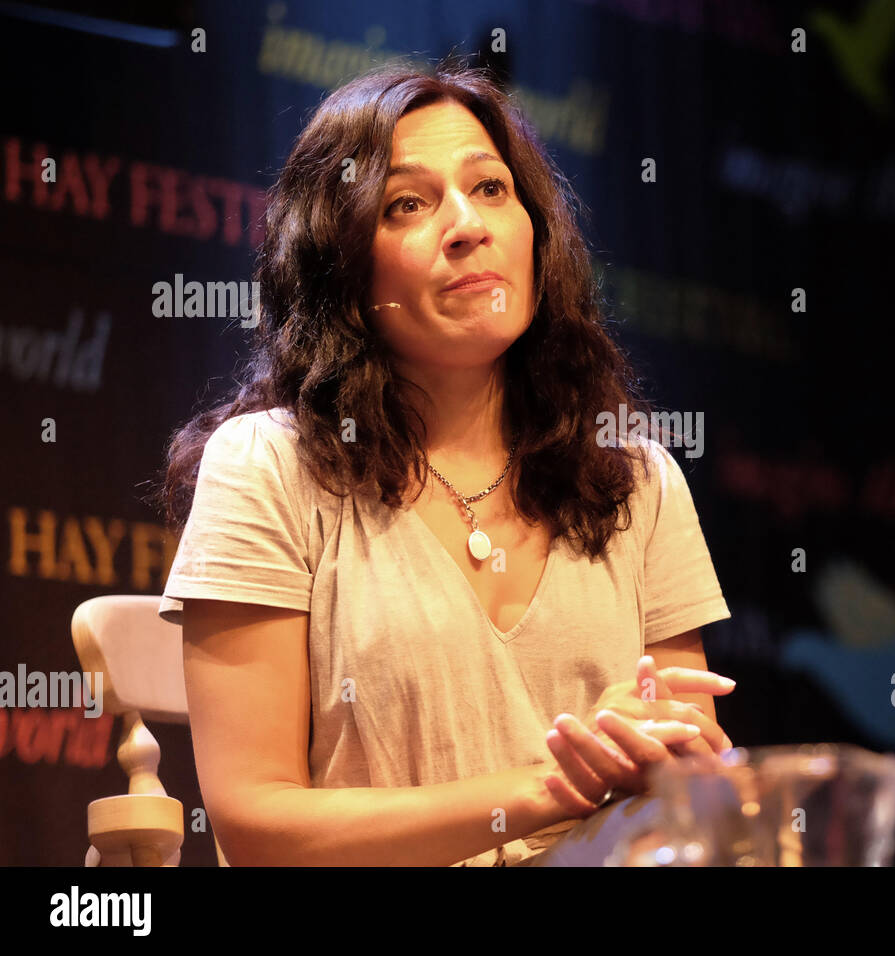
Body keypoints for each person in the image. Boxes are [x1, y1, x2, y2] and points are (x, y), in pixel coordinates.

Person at [147, 58, 736, 867]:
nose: (468, 225)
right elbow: (257, 825)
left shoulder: (638, 481)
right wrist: (550, 789)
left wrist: (666, 759)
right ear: (343, 271)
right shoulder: (267, 468)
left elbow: (694, 785)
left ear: (538, 232)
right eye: (408, 204)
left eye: (491, 189)